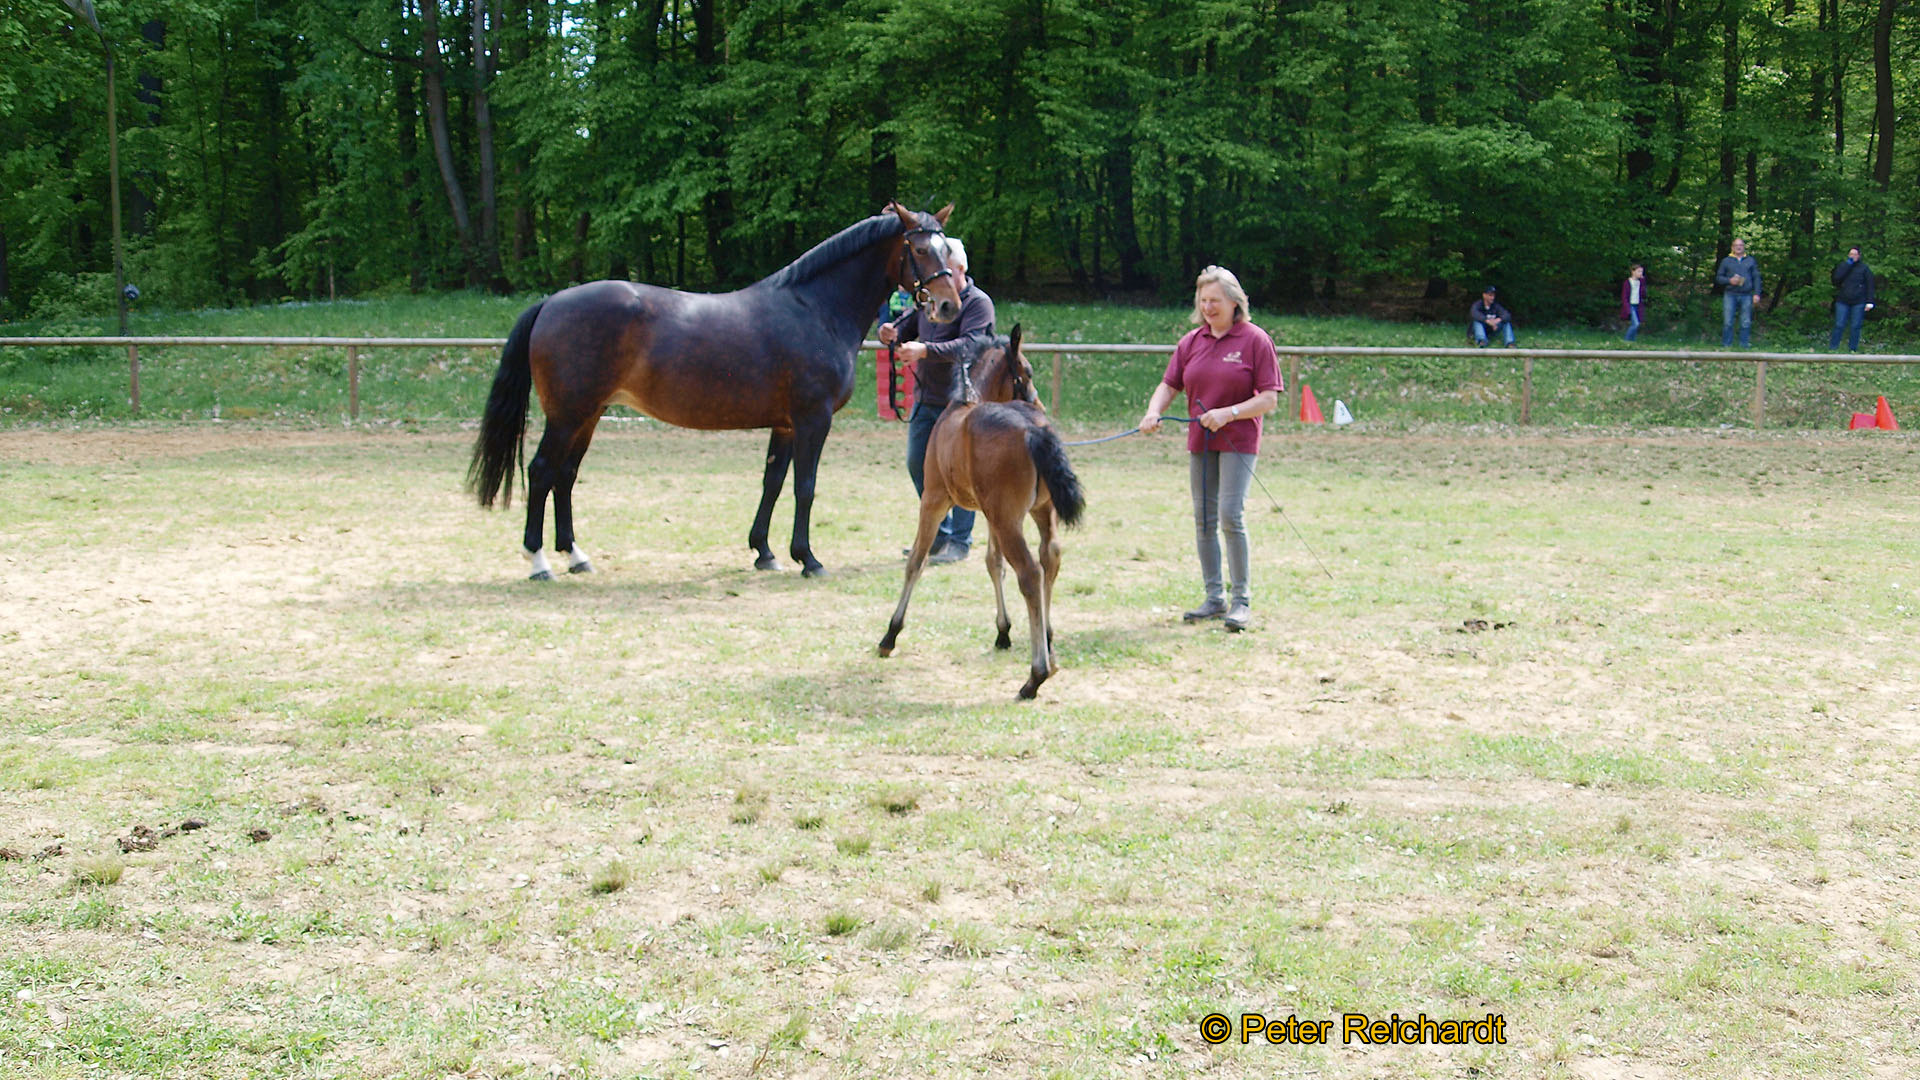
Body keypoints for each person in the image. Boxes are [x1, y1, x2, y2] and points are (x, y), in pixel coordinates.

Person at [1137, 266, 1282, 633]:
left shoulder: (1255, 340)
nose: (1208, 307)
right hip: (1200, 442)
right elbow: (1169, 385)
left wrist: (1229, 413)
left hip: (1239, 441)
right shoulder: (1191, 342)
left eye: (1215, 300)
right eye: (1203, 300)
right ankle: (1214, 597)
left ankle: (1241, 601)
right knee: (1204, 519)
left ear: (1235, 302)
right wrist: (1154, 412)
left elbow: (1268, 399)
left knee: (1230, 515)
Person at [878, 237, 995, 565]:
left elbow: (971, 346)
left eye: (947, 269)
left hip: (961, 403)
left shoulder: (977, 304)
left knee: (962, 471)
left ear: (960, 269)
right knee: (918, 463)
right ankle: (938, 533)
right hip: (926, 398)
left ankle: (960, 540)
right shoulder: (932, 298)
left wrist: (925, 350)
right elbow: (908, 327)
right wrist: (891, 332)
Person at [1715, 238, 1762, 348]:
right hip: (1730, 294)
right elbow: (1718, 278)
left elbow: (1756, 278)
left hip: (1746, 295)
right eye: (1736, 245)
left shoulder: (1750, 260)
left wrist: (1757, 293)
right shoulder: (1726, 261)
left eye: (1740, 245)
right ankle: (1726, 345)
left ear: (1744, 247)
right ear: (1732, 247)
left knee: (1745, 322)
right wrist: (1729, 281)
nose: (1738, 247)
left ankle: (1744, 345)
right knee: (1728, 321)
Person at [1829, 246, 1876, 353]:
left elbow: (1870, 285)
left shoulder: (1864, 269)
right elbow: (1835, 279)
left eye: (1855, 254)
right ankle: (1833, 348)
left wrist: (1870, 302)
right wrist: (1847, 266)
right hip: (1843, 301)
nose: (1852, 256)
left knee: (1855, 326)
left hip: (1858, 301)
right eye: (1851, 254)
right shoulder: (1843, 266)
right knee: (1839, 324)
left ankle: (1852, 349)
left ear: (1859, 256)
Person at [1619, 264, 1647, 342]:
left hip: (1638, 305)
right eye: (1639, 271)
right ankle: (1626, 341)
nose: (1640, 273)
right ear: (1633, 272)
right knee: (1635, 324)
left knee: (1635, 325)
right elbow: (1624, 297)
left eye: (1641, 272)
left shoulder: (1640, 282)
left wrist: (1643, 282)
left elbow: (1644, 295)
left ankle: (1632, 342)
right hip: (1630, 305)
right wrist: (1627, 309)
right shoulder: (1627, 282)